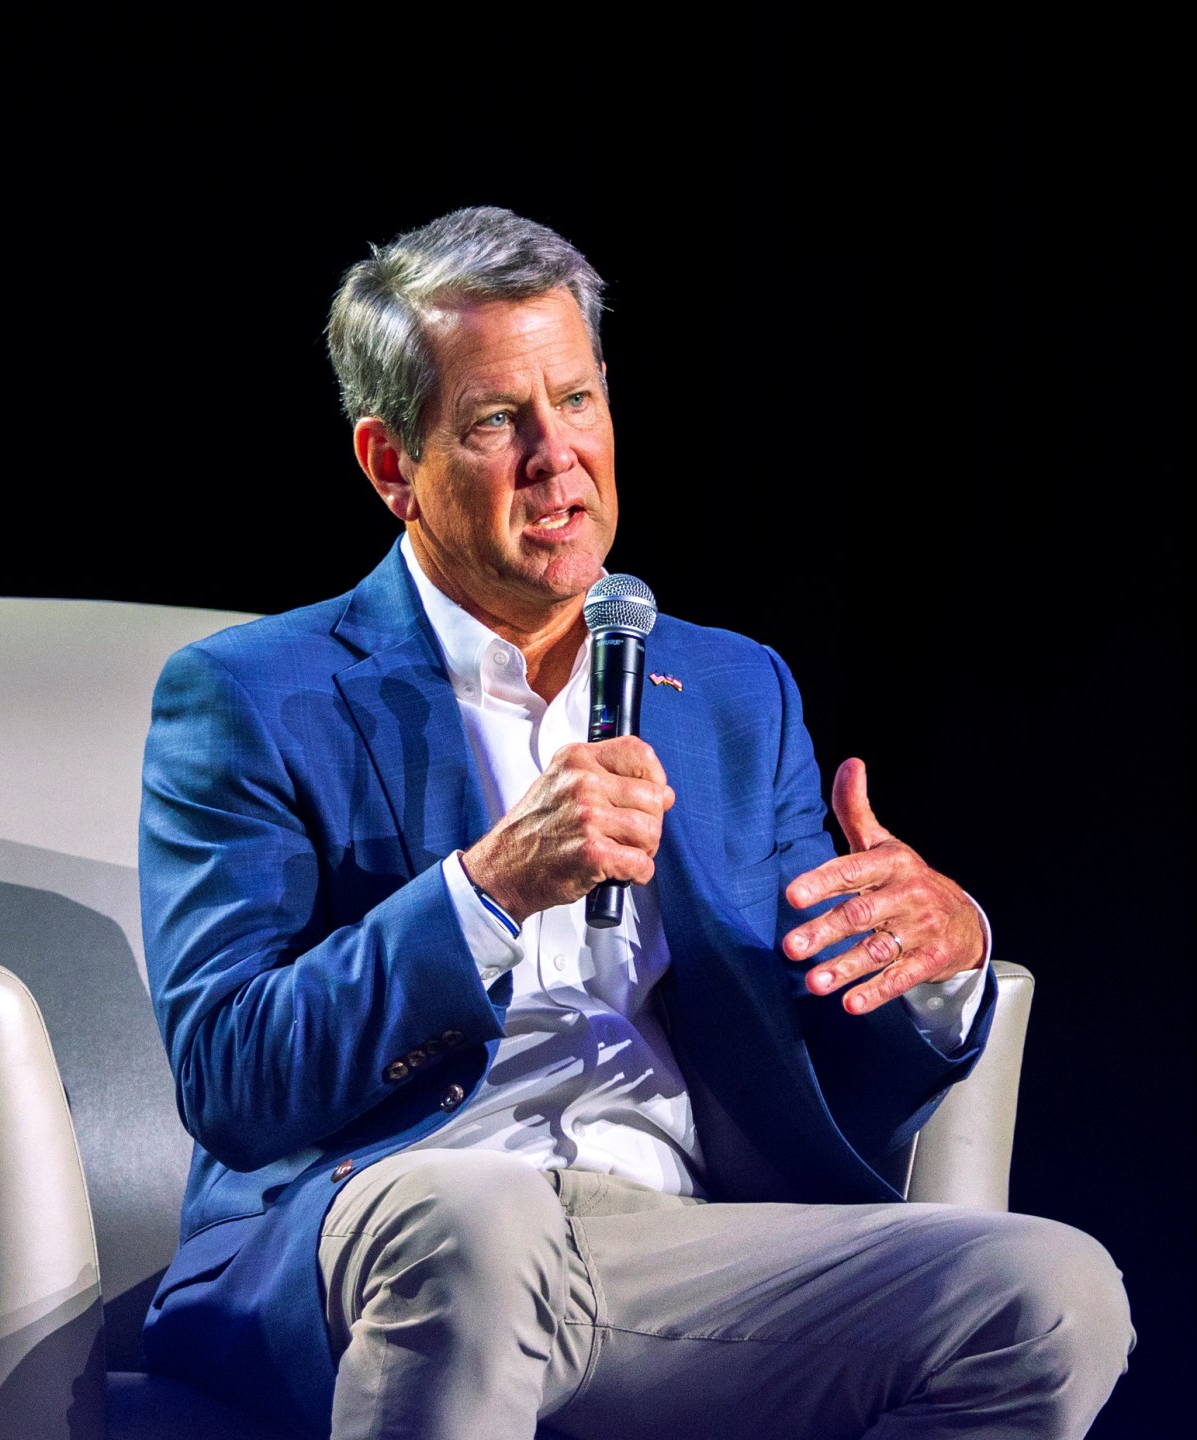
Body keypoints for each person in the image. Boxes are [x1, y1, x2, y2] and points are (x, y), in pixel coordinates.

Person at [135, 206, 1130, 1439]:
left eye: (579, 403)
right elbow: (231, 1074)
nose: (559, 458)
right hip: (391, 1222)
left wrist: (935, 953)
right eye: (498, 420)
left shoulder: (730, 691)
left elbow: (816, 1064)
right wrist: (486, 889)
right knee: (479, 1230)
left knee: (1048, 1293)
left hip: (677, 1239)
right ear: (392, 467)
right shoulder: (252, 693)